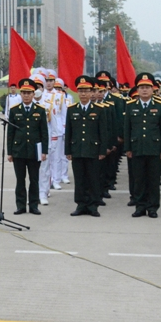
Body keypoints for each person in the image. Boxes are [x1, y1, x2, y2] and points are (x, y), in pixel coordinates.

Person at [124, 72, 161, 218]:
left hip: (154, 148)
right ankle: (140, 206)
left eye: (147, 87)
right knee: (139, 179)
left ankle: (153, 207)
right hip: (137, 148)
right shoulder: (130, 106)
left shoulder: (160, 106)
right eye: (142, 87)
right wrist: (128, 148)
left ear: (152, 89)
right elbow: (127, 129)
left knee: (153, 180)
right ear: (137, 89)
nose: (144, 90)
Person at [64, 76, 109, 217]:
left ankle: (93, 206)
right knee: (80, 179)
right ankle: (81, 204)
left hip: (93, 150)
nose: (83, 94)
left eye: (86, 91)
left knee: (93, 179)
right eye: (81, 91)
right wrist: (68, 150)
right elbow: (69, 132)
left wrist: (102, 150)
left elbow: (103, 132)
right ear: (77, 92)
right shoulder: (72, 109)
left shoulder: (99, 109)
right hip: (77, 149)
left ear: (91, 93)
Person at [7, 78, 49, 215]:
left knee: (34, 179)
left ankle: (33, 205)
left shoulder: (40, 110)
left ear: (33, 94)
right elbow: (10, 133)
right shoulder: (14, 110)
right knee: (20, 180)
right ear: (21, 94)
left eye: (29, 93)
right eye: (24, 93)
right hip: (18, 150)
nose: (26, 95)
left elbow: (44, 132)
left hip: (34, 150)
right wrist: (9, 152)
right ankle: (20, 205)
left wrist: (44, 151)